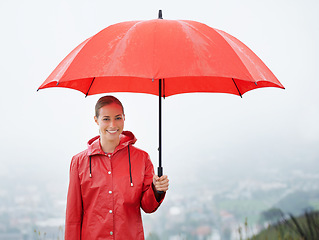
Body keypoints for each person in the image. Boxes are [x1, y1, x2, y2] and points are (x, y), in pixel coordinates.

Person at [65, 95, 169, 240]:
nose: (113, 125)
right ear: (96, 120)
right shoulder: (78, 162)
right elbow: (73, 217)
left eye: (118, 118)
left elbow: (148, 206)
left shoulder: (142, 158)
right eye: (106, 119)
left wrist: (156, 189)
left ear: (124, 118)